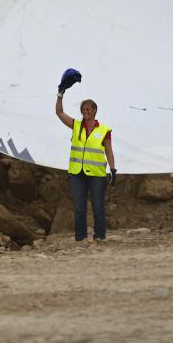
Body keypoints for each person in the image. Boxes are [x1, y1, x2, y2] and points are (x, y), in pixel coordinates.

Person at [55, 70, 117, 241]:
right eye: (83, 109)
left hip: (97, 175)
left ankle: (99, 236)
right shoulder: (76, 125)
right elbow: (59, 113)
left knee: (98, 206)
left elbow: (108, 151)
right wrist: (60, 93)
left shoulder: (104, 130)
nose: (85, 112)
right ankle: (80, 237)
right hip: (77, 173)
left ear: (95, 110)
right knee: (79, 208)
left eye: (88, 109)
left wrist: (113, 169)